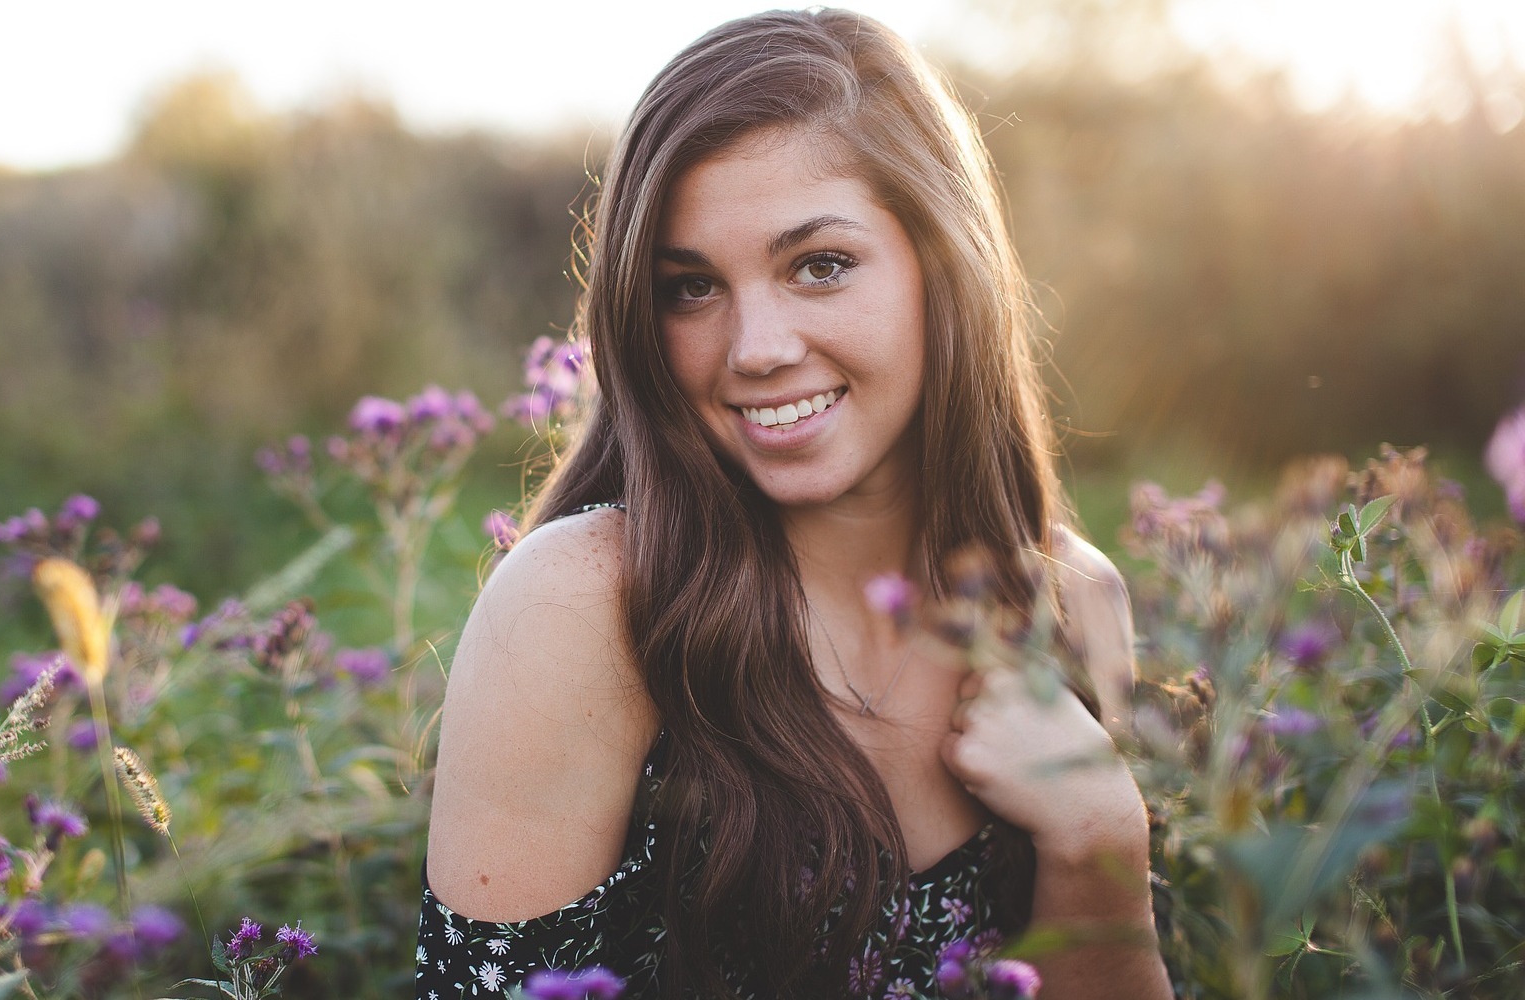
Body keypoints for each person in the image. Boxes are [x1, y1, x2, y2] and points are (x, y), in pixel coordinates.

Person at [419, 9, 1172, 999]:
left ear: (943, 269)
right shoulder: (587, 612)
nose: (756, 346)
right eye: (690, 286)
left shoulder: (1073, 605)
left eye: (819, 265)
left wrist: (1095, 842)